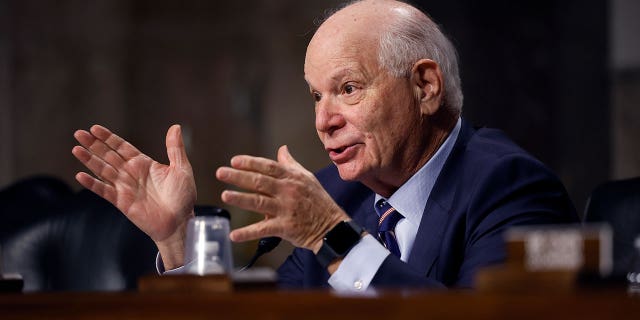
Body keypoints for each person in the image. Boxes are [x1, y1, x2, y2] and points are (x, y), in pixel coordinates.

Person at [72, 0, 578, 291]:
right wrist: (177, 241)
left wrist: (333, 237)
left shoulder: (509, 186)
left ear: (425, 87)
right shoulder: (338, 193)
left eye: (348, 89)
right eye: (316, 95)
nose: (323, 121)